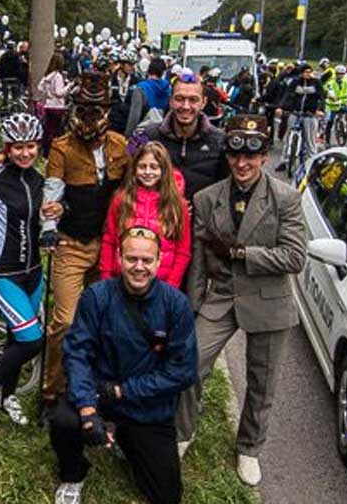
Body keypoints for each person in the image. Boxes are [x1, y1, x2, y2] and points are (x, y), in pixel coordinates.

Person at [176, 114, 307, 486]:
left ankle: (249, 447)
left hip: (268, 300)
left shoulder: (285, 198)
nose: (243, 164)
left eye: (252, 156)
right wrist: (193, 303)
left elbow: (295, 257)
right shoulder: (207, 198)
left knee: (262, 382)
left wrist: (242, 253)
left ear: (264, 156)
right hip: (219, 296)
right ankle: (183, 432)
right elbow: (200, 260)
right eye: (235, 157)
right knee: (190, 365)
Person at [49, 227, 198, 504]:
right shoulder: (97, 296)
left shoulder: (176, 305)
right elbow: (77, 352)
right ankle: (73, 474)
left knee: (167, 495)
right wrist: (87, 409)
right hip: (99, 393)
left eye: (146, 260)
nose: (138, 267)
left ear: (159, 260)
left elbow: (183, 371)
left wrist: (123, 390)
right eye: (131, 259)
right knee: (63, 420)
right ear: (119, 257)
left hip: (146, 405)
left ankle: (124, 439)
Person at [40, 71, 129, 403]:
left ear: (107, 111)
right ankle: (53, 390)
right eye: (83, 109)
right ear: (73, 109)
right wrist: (49, 230)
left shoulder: (121, 146)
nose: (89, 118)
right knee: (64, 321)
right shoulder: (62, 148)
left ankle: (91, 387)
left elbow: (134, 191)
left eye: (96, 111)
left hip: (108, 246)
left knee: (103, 321)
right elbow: (51, 193)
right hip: (72, 244)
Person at [0, 113, 56, 428]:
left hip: (34, 271)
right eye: (18, 147)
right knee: (33, 340)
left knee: (17, 338)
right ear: (8, 147)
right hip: (2, 272)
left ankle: (8, 395)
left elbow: (48, 218)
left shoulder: (39, 180)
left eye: (30, 146)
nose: (25, 153)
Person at [99, 142, 192, 288]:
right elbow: (109, 241)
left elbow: (183, 251)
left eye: (154, 167)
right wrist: (106, 278)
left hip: (161, 283)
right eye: (142, 167)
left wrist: (171, 285)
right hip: (122, 281)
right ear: (134, 169)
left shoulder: (177, 205)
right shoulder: (121, 199)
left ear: (164, 170)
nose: (148, 172)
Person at [132, 73, 228, 204]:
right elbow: (126, 169)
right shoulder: (145, 135)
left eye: (193, 100)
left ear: (203, 103)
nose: (186, 106)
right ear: (170, 100)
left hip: (202, 220)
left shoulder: (220, 141)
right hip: (154, 217)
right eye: (179, 99)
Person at [37, 50, 68, 159]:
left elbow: (39, 87)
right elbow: (59, 93)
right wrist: (69, 87)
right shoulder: (58, 76)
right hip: (57, 106)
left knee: (48, 130)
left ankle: (45, 151)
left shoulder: (47, 76)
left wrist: (47, 93)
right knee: (57, 131)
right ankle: (54, 152)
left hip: (48, 105)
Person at [322, 63, 347, 144]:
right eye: (338, 74)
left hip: (342, 103)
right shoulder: (330, 83)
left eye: (342, 74)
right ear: (336, 74)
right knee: (329, 122)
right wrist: (332, 98)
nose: (340, 75)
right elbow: (330, 92)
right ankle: (327, 140)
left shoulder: (346, 82)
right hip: (331, 105)